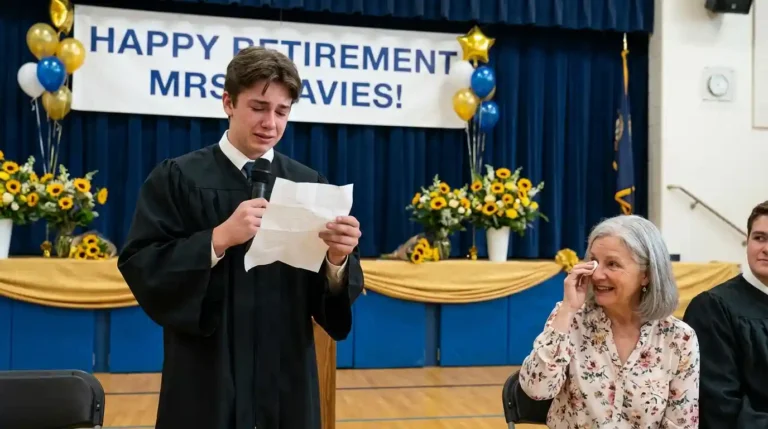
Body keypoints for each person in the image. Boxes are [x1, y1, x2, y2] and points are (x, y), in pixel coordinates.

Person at [117, 46, 365, 429]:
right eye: (258, 107)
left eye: (282, 112)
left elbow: (328, 300)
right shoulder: (179, 178)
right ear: (228, 103)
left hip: (284, 373)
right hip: (207, 372)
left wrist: (336, 260)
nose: (270, 122)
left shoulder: (309, 184)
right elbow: (141, 262)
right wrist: (216, 240)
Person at [518, 215, 700, 428]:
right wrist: (568, 309)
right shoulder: (571, 319)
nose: (596, 275)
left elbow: (681, 424)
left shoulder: (679, 338)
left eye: (612, 264)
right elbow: (536, 389)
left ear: (646, 275)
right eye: (593, 261)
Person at [683, 201, 768, 428]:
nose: (766, 248)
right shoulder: (712, 308)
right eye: (759, 238)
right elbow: (719, 405)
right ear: (747, 240)